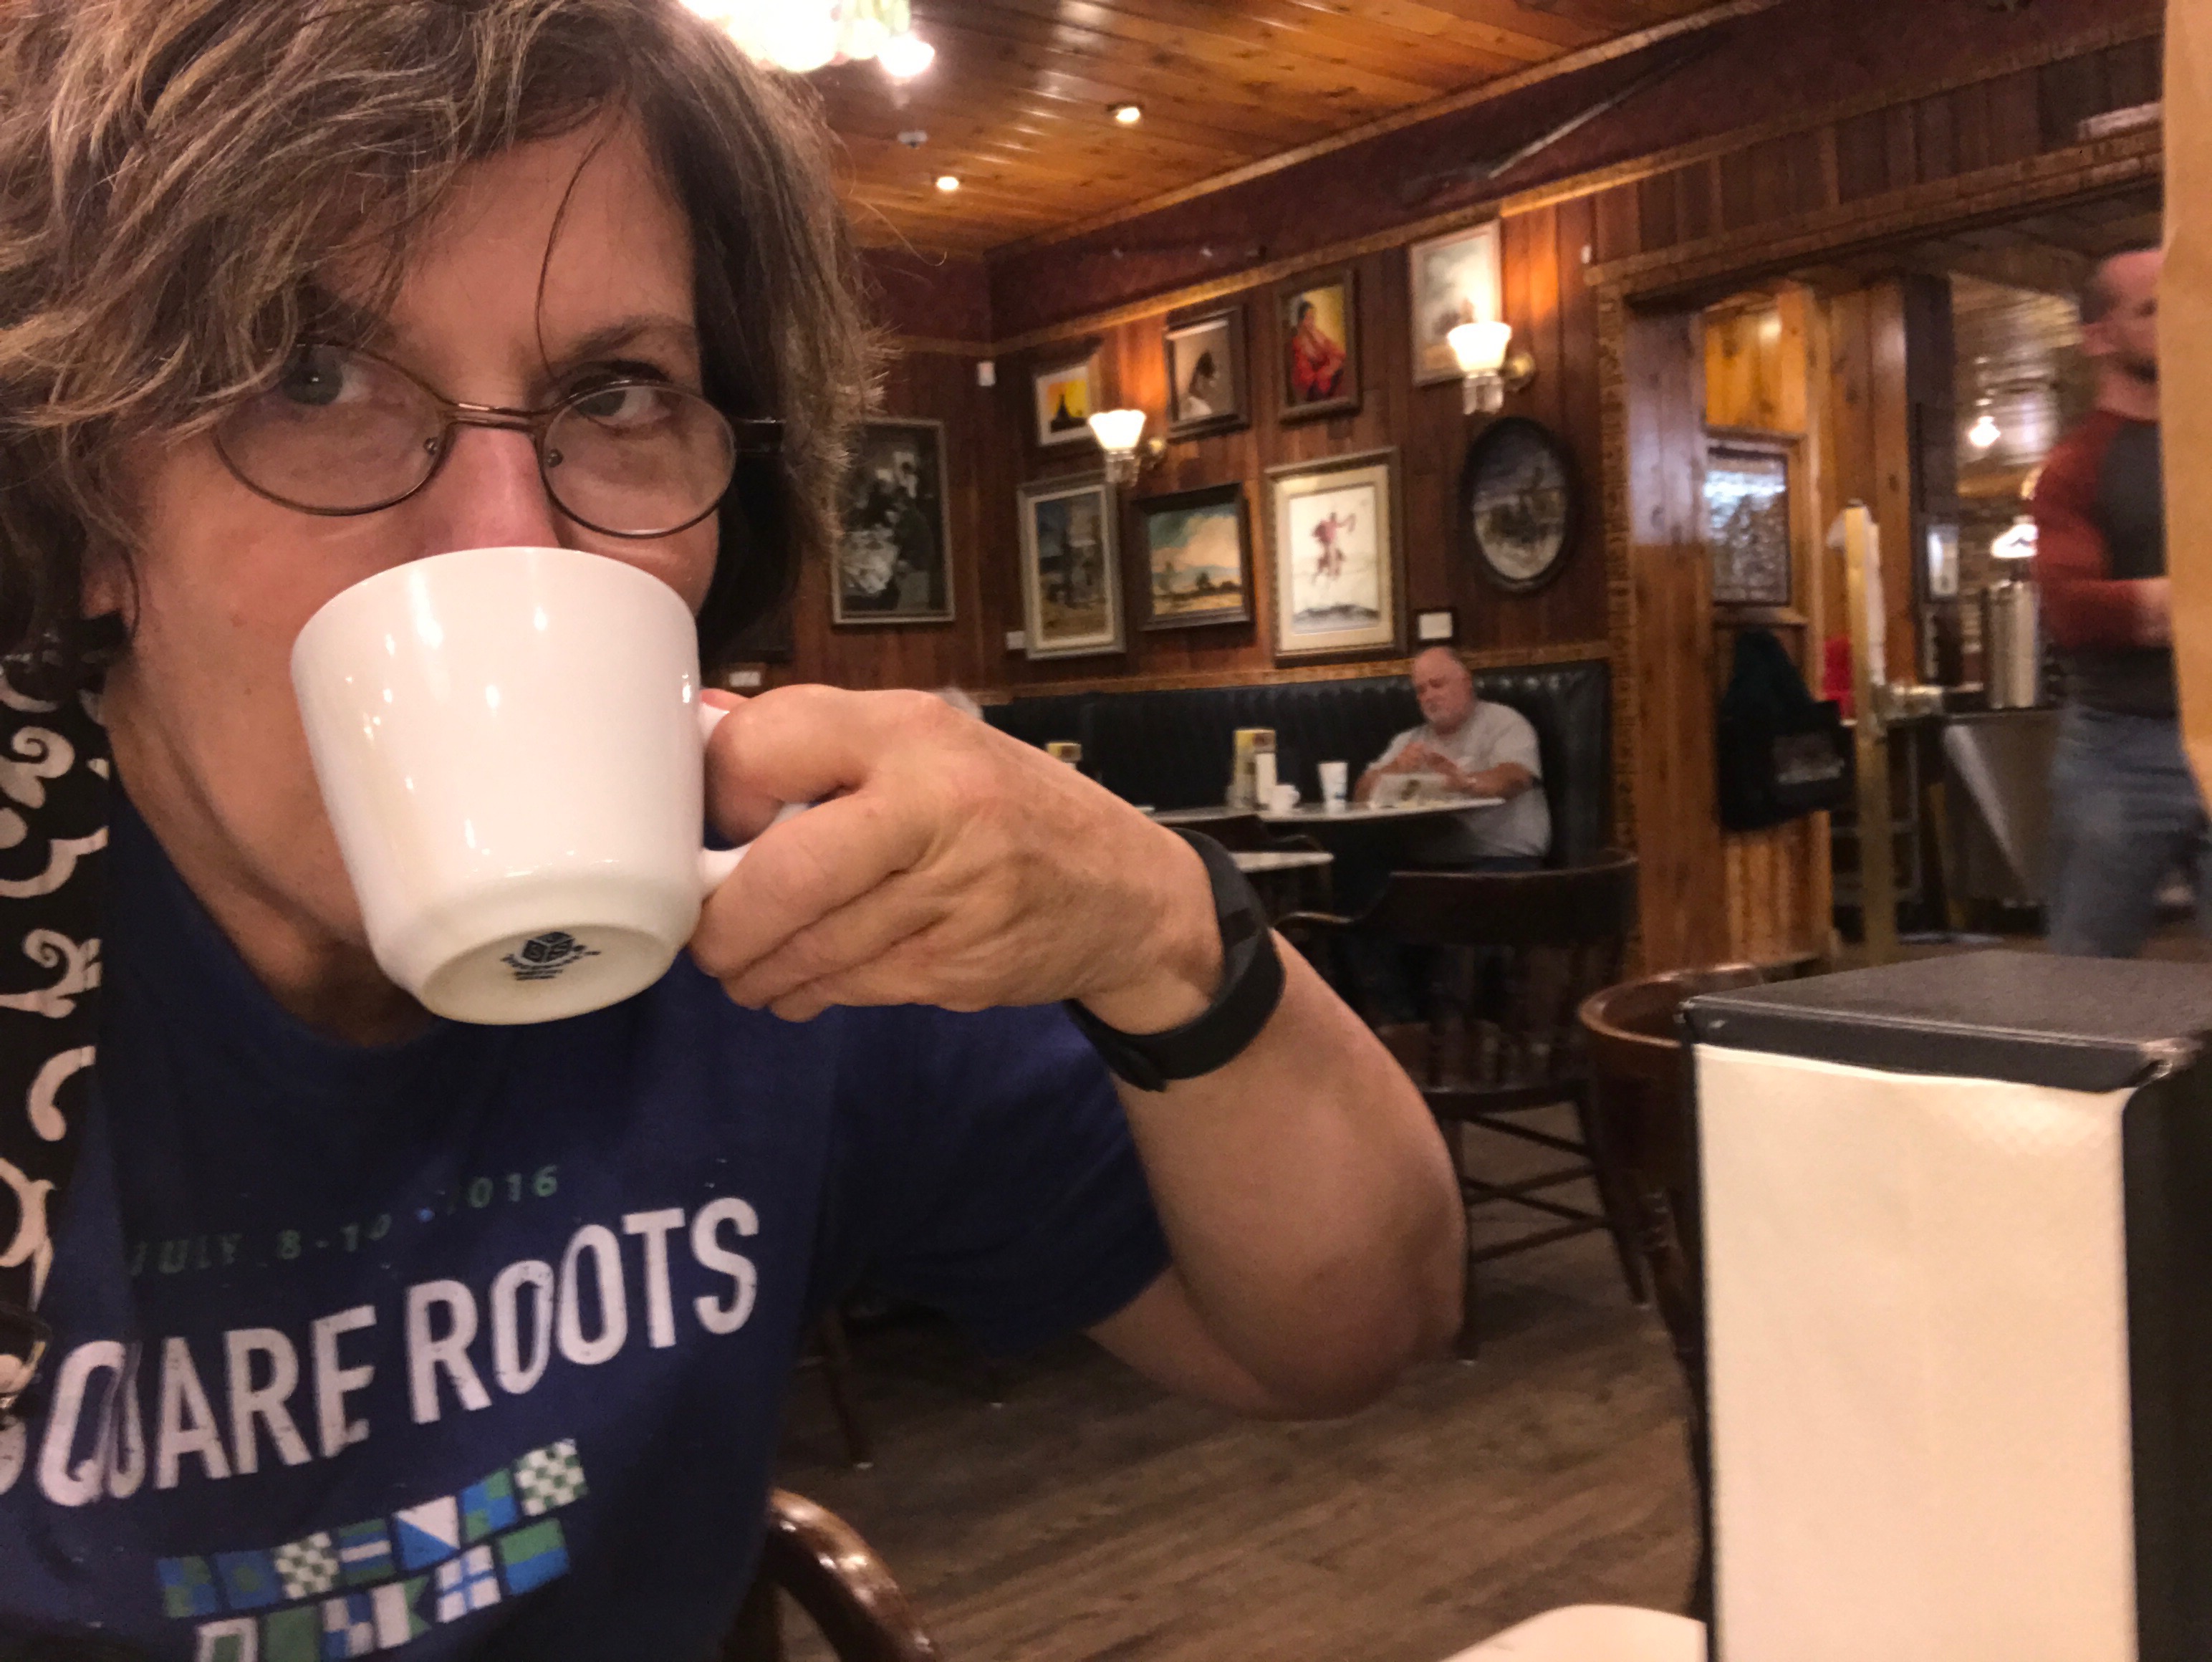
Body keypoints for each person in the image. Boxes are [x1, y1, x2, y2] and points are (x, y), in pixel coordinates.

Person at [0, 4, 1464, 1658]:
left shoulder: (778, 919)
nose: (510, 544)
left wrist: (1157, 922)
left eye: (617, 392)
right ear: (87, 494)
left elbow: (1351, 1330)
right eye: (310, 375)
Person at [2034, 246, 2207, 957]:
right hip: (2121, 747)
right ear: (2098, 337)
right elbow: (2074, 609)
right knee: (2087, 975)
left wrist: (2161, 608)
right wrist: (2193, 603)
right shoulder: (2076, 466)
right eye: (2152, 309)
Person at [1357, 648, 1551, 868]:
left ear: (1466, 683)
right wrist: (1394, 768)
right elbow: (1361, 795)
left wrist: (1466, 784)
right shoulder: (1409, 740)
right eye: (1421, 690)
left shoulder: (1505, 723)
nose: (1429, 696)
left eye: (1437, 684)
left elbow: (1515, 778)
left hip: (1502, 861)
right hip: (1426, 866)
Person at [1287, 300, 1346, 404]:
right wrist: (1329, 370)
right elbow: (1305, 379)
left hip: (1325, 381)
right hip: (1311, 389)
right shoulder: (1297, 343)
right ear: (1301, 321)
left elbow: (1338, 352)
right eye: (1308, 318)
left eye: (1313, 318)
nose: (1311, 322)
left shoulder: (1317, 336)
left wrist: (1333, 364)